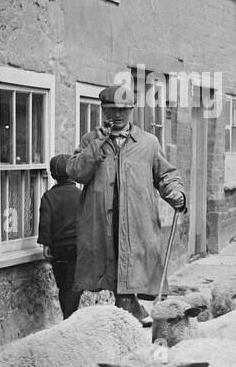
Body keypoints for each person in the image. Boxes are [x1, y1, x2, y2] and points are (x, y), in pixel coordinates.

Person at [66, 83, 186, 318]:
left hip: (136, 223)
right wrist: (96, 146)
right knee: (103, 280)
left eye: (123, 110)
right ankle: (117, 319)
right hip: (102, 225)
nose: (117, 115)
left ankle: (129, 315)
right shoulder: (90, 139)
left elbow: (165, 175)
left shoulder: (148, 142)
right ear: (103, 111)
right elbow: (75, 172)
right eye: (111, 110)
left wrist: (176, 193)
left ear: (131, 110)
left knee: (131, 279)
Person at [38, 153, 82, 319]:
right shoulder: (80, 195)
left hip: (58, 248)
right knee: (73, 284)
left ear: (53, 175)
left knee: (63, 285)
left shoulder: (48, 197)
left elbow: (45, 223)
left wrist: (45, 245)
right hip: (78, 246)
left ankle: (68, 319)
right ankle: (69, 320)